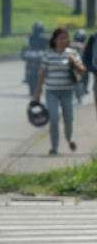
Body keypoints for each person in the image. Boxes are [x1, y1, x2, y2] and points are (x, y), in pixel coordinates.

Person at [34, 27, 85, 155]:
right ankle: (54, 146)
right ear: (55, 40)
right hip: (52, 91)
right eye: (60, 38)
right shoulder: (48, 54)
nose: (63, 41)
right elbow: (42, 74)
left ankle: (69, 138)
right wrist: (37, 92)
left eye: (65, 38)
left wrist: (73, 61)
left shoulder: (72, 53)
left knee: (69, 118)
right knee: (54, 118)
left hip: (67, 91)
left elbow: (82, 71)